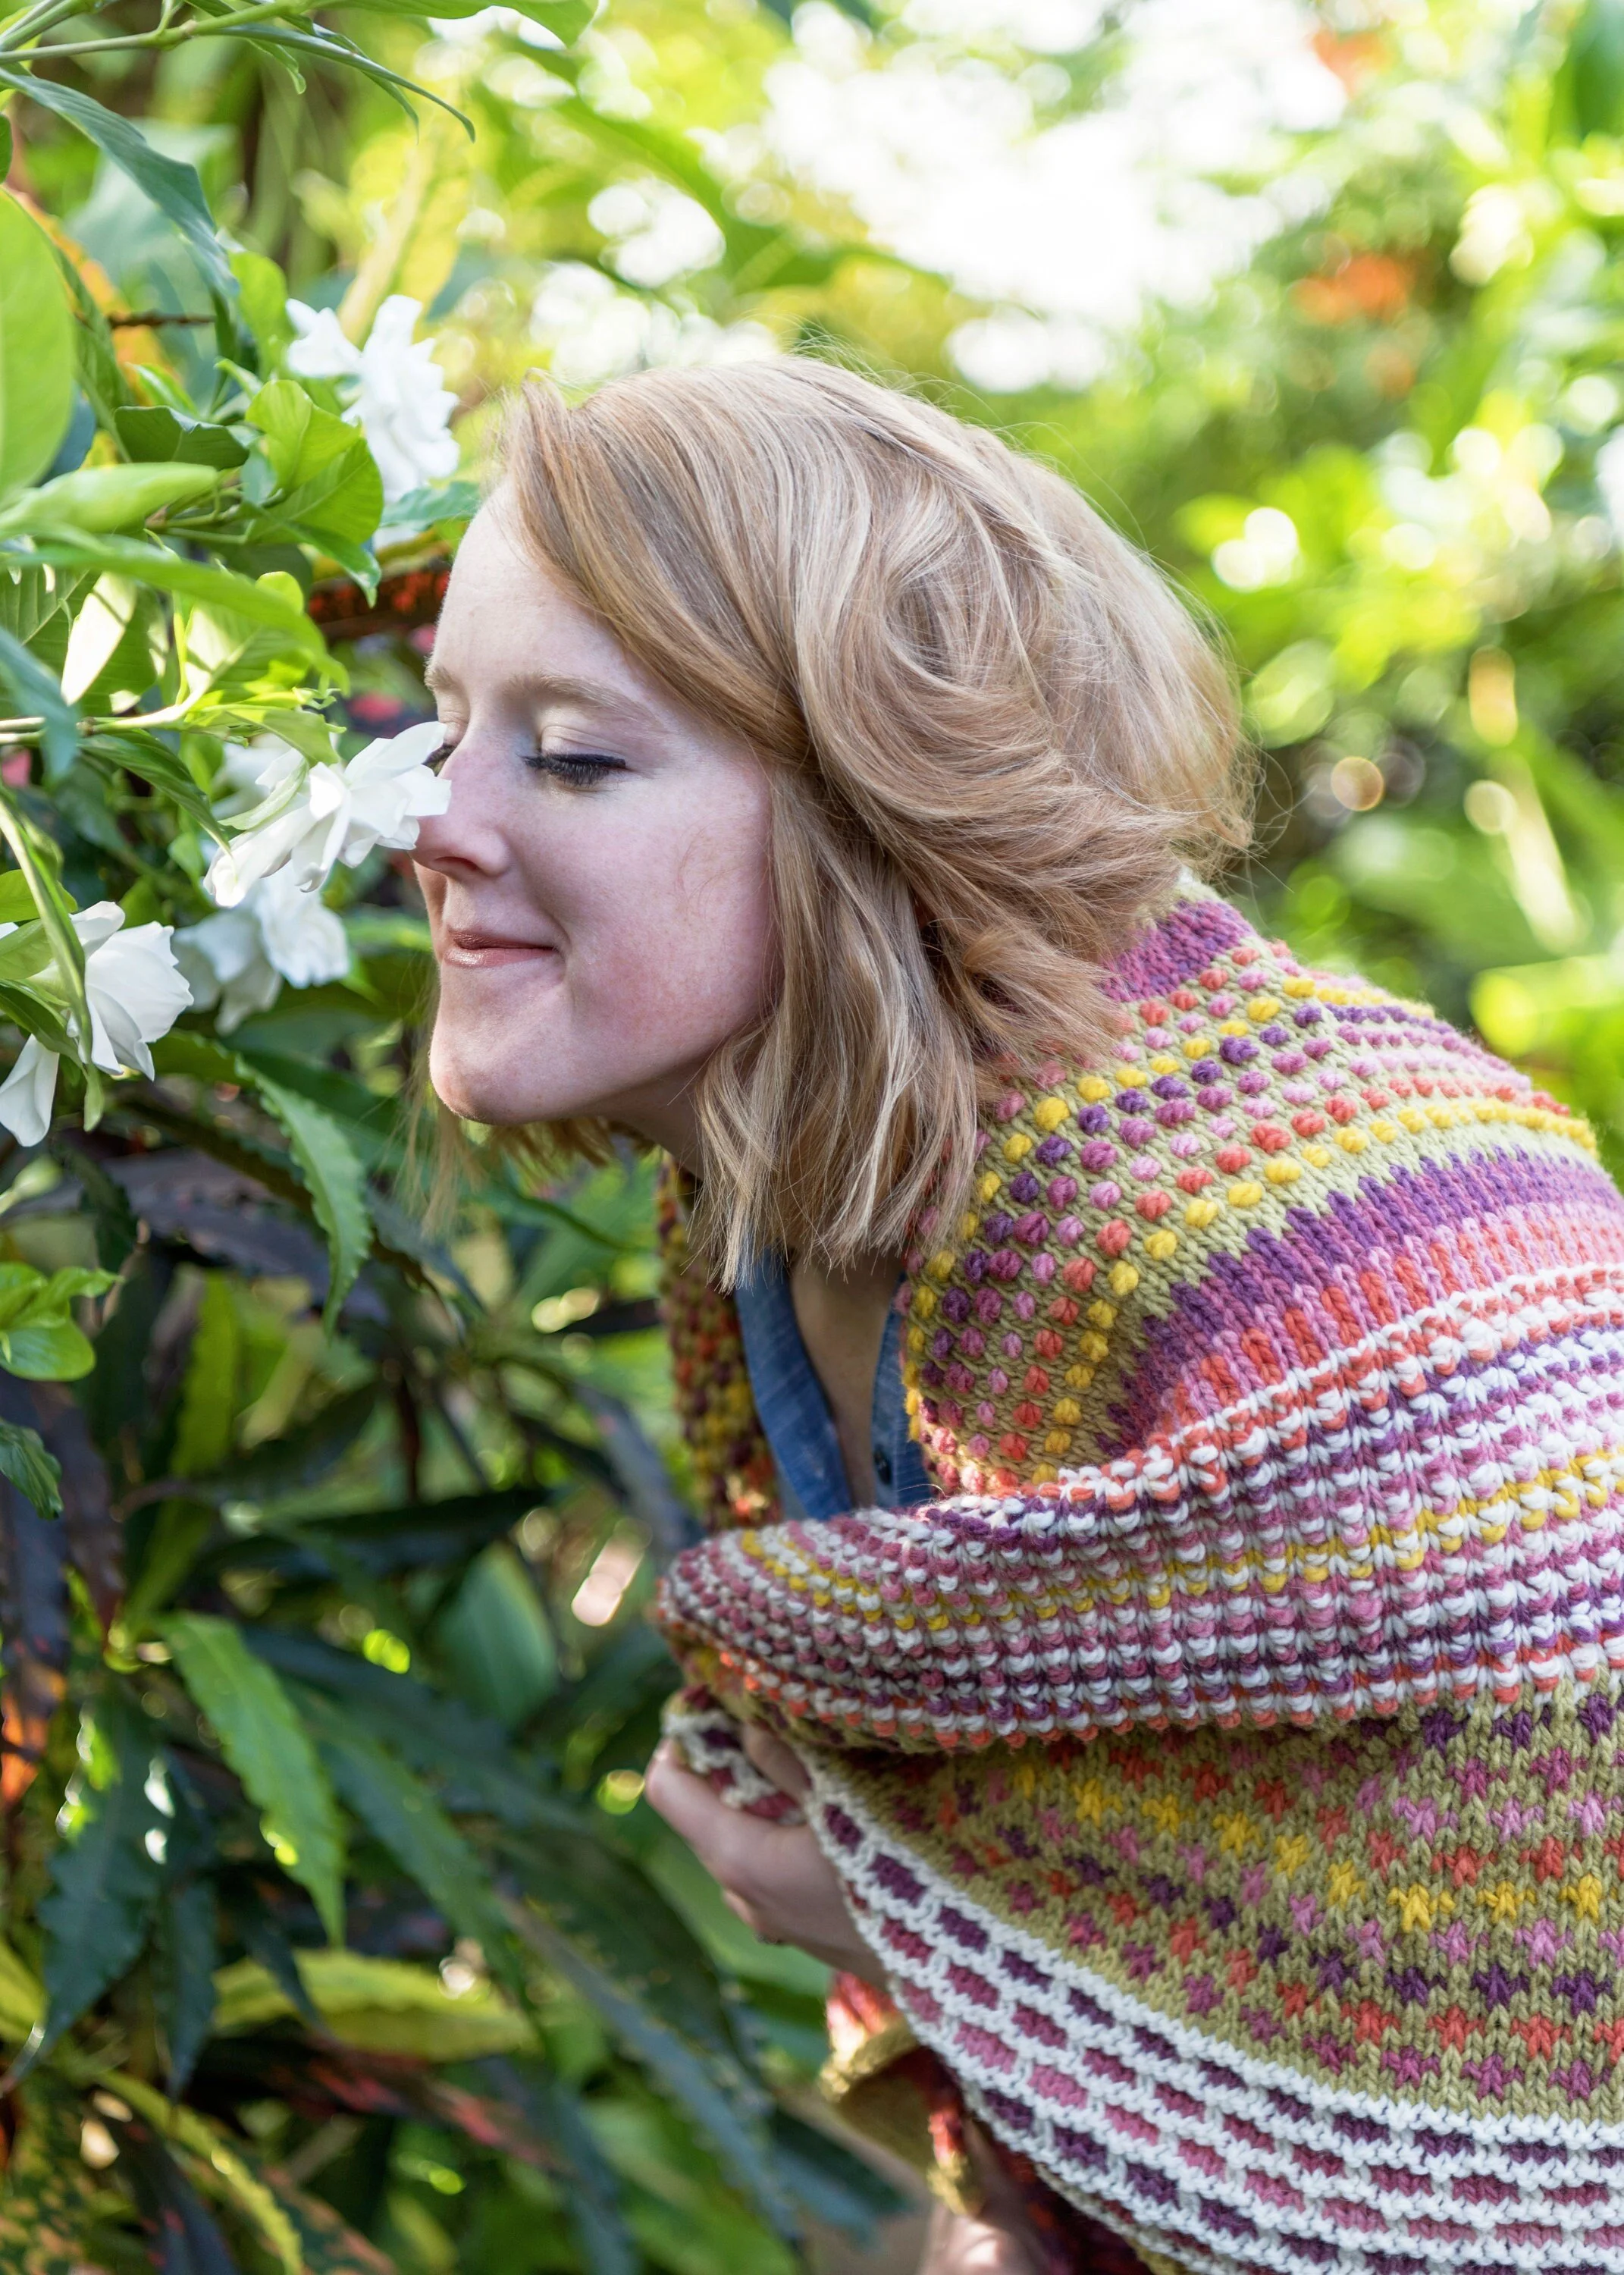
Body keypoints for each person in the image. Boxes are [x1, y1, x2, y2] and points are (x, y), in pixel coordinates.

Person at [412, 356, 1624, 2275]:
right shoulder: (769, 1195)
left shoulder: (1293, 1246)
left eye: (569, 756)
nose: (436, 822)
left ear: (880, 798)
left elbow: (1553, 1937)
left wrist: (949, 1922)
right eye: (443, 727)